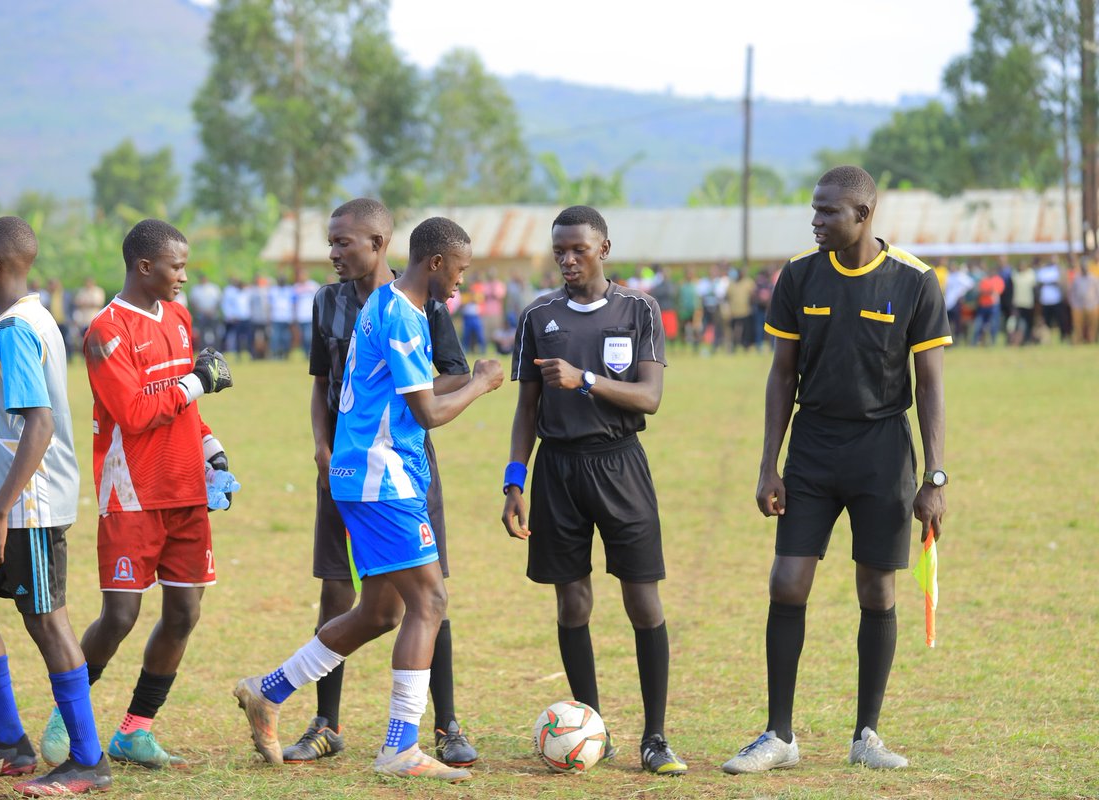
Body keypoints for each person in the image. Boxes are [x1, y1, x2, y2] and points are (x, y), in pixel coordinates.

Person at [234, 216, 503, 783]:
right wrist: (479, 383)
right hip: (384, 477)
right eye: (460, 269)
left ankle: (268, 690)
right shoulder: (404, 315)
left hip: (360, 474)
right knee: (430, 602)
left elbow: (411, 389)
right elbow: (428, 411)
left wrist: (466, 379)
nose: (461, 280)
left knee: (380, 612)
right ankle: (400, 746)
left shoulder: (381, 302)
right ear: (435, 262)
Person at [722, 166, 950, 775]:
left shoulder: (915, 281)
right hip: (814, 448)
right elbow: (781, 374)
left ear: (864, 214)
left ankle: (866, 735)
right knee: (787, 581)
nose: (816, 221)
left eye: (828, 213)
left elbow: (929, 384)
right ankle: (779, 735)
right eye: (814, 210)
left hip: (883, 451)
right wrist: (769, 464)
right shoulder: (798, 276)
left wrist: (935, 477)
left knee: (877, 589)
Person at [38, 219, 237, 770]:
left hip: (186, 489)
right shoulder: (105, 331)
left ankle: (135, 730)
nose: (184, 276)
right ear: (145, 267)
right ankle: (67, 715)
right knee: (121, 615)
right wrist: (197, 381)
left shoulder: (178, 316)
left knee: (184, 612)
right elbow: (134, 412)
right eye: (177, 266)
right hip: (132, 493)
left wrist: (211, 446)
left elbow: (184, 404)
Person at [501, 205, 687, 777]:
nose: (568, 259)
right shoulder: (538, 314)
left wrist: (584, 379)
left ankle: (655, 738)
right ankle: (593, 728)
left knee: (642, 601)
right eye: (560, 250)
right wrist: (515, 480)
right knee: (573, 601)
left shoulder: (640, 310)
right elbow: (527, 407)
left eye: (579, 249)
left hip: (620, 465)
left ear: (604, 249)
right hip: (557, 471)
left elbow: (650, 397)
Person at [0, 216, 111, 795]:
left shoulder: (13, 330)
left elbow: (40, 423)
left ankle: (88, 760)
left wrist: (2, 515)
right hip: (5, 504)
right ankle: (10, 742)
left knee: (47, 623)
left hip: (26, 507)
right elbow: (21, 397)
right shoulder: (28, 319)